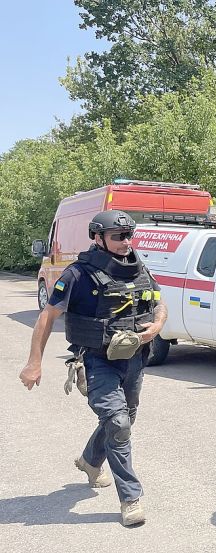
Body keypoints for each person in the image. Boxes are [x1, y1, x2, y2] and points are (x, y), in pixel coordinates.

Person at [18, 210, 168, 526]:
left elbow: (158, 302)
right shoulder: (78, 274)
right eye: (119, 237)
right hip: (97, 359)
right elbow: (47, 316)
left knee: (125, 417)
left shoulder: (138, 267)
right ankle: (131, 499)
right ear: (98, 238)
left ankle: (90, 461)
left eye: (129, 235)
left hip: (136, 358)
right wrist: (34, 362)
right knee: (117, 422)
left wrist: (155, 327)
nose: (127, 242)